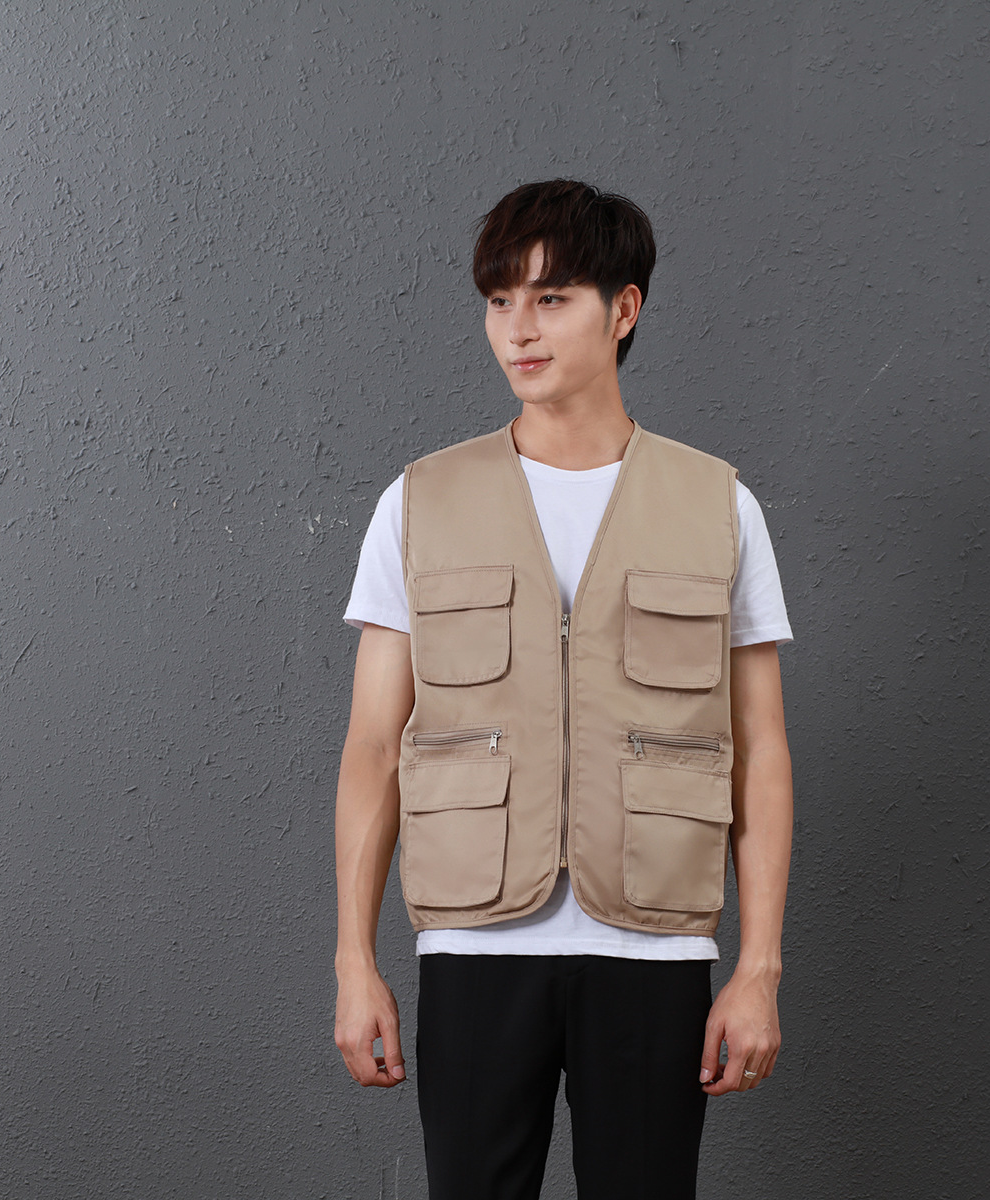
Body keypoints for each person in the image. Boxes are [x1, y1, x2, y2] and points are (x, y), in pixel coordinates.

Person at [333, 179, 795, 1199]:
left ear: (623, 310)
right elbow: (372, 746)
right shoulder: (419, 502)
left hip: (655, 951)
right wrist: (353, 961)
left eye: (551, 299)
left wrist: (757, 970)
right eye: (500, 300)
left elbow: (759, 751)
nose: (518, 329)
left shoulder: (719, 506)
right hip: (473, 945)